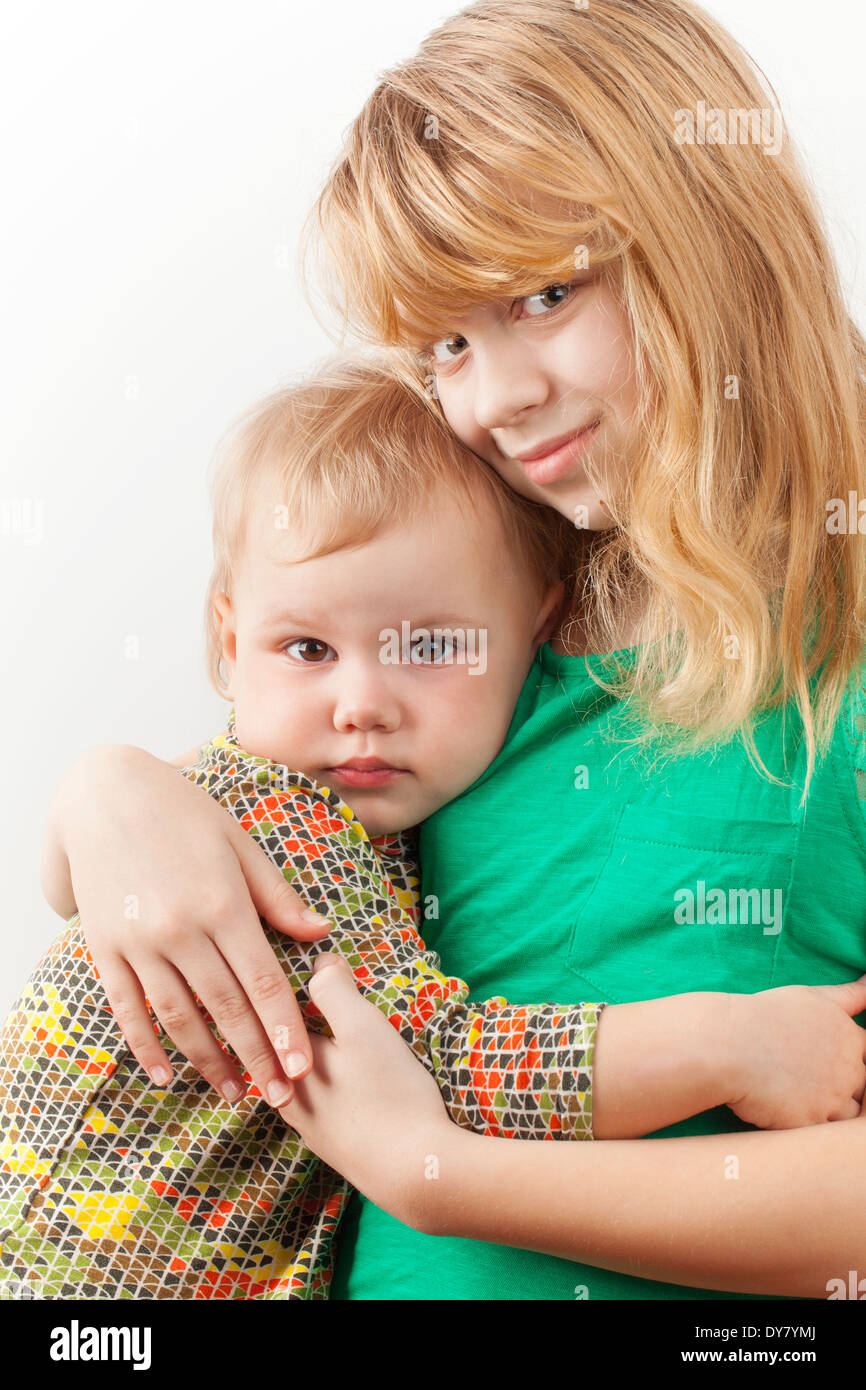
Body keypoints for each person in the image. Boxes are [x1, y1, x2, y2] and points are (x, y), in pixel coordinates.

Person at [39, 0, 866, 1299]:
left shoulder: (837, 637)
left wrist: (437, 1173)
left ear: (716, 232)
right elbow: (273, 809)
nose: (495, 397)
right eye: (448, 341)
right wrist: (109, 792)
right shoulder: (467, 642)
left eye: (546, 291)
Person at [13, 358, 856, 1300]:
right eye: (307, 649)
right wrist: (731, 1046)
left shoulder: (369, 813)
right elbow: (441, 1065)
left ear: (539, 625)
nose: (362, 705)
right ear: (228, 641)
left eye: (431, 647)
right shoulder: (279, 822)